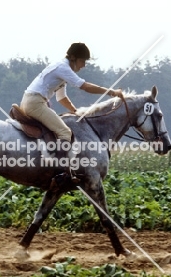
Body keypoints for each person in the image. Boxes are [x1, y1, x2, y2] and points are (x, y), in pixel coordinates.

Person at [20, 42, 124, 184]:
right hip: (35, 103)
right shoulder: (63, 68)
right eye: (82, 61)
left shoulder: (62, 69)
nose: (83, 65)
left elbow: (61, 98)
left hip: (32, 101)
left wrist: (75, 112)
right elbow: (85, 86)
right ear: (73, 58)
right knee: (65, 133)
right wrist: (112, 92)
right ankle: (60, 173)